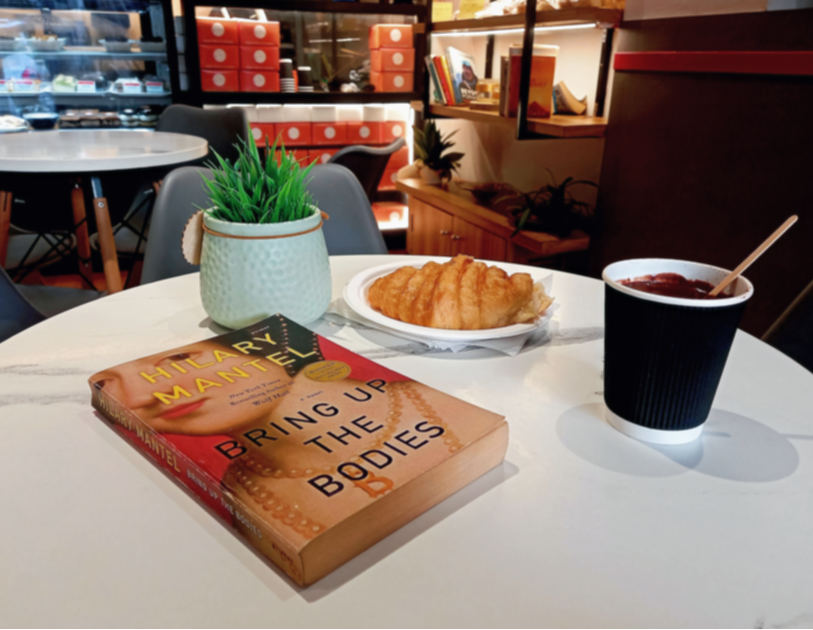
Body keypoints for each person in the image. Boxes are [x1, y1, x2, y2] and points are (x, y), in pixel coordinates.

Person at [91, 315, 496, 573]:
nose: (144, 396)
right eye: (109, 386)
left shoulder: (437, 404)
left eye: (180, 359)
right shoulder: (243, 499)